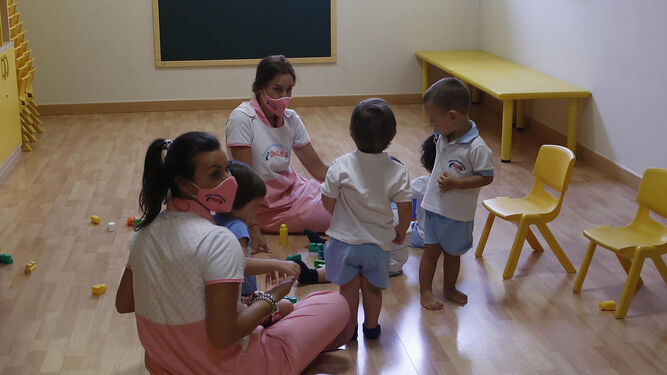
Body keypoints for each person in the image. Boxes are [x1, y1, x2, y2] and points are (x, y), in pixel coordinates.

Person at [115, 131, 349, 374]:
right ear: (185, 185)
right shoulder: (218, 239)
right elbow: (224, 336)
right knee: (333, 303)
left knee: (301, 316)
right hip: (236, 367)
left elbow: (124, 303)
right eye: (216, 174)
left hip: (164, 367)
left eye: (226, 169)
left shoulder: (143, 235)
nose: (230, 180)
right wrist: (273, 296)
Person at [321, 98, 412, 341]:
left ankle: (349, 331)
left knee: (348, 289)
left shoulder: (340, 165)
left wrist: (337, 217)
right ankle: (371, 329)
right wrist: (401, 230)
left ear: (351, 133)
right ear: (392, 135)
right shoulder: (397, 170)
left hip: (344, 241)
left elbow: (327, 199)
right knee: (372, 288)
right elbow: (405, 206)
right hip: (378, 244)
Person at [225, 55, 330, 253]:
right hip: (267, 208)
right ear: (260, 88)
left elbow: (319, 169)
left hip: (297, 191)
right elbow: (245, 182)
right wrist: (253, 229)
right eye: (277, 89)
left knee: (352, 199)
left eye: (289, 90)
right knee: (347, 214)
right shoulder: (242, 118)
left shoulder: (291, 118)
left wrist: (354, 179)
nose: (284, 97)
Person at [418, 78, 494, 310]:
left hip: (458, 215)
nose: (431, 124)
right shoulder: (443, 135)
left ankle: (449, 288)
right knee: (430, 252)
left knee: (453, 254)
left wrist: (457, 184)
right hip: (433, 207)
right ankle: (425, 292)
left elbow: (487, 177)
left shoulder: (477, 148)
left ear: (452, 115)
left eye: (434, 119)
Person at [213, 160, 299, 324]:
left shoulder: (214, 218)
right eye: (254, 206)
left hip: (223, 299)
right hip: (241, 302)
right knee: (287, 306)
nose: (257, 211)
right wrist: (276, 264)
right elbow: (240, 263)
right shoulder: (238, 227)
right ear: (234, 205)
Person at [409, 134, 437, 249]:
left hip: (425, 238)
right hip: (452, 239)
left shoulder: (423, 183)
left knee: (395, 228)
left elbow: (400, 191)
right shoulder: (462, 183)